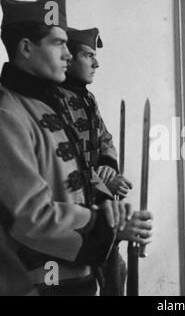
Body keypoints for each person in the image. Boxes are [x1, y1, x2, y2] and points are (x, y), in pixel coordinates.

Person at [0, 0, 153, 295]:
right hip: (41, 277)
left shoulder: (46, 104)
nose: (68, 55)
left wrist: (114, 212)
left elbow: (75, 175)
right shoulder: (8, 114)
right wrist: (108, 228)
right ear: (26, 48)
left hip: (75, 268)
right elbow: (29, 216)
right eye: (58, 44)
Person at [58, 27, 132, 295]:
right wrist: (103, 183)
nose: (96, 63)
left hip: (102, 206)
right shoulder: (52, 102)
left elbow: (105, 139)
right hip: (74, 212)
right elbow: (65, 162)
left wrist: (109, 169)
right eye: (88, 55)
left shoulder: (88, 98)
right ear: (69, 58)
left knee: (116, 273)